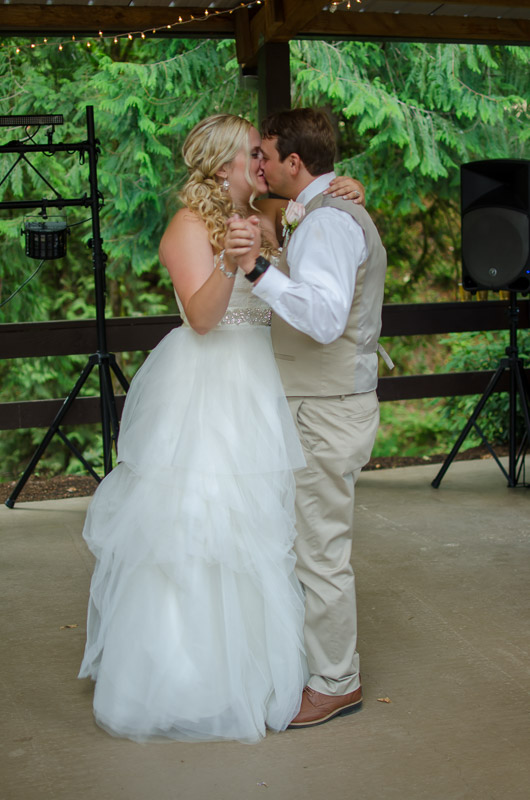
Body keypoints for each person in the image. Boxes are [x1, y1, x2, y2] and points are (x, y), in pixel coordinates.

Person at [78, 113, 364, 743]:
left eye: (263, 155)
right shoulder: (186, 226)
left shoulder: (268, 215)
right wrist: (234, 263)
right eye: (251, 155)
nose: (262, 164)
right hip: (206, 389)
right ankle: (190, 680)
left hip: (261, 384)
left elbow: (309, 232)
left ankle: (259, 673)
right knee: (200, 527)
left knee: (264, 529)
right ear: (221, 164)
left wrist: (347, 188)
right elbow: (203, 318)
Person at [227, 107, 388, 729]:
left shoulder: (327, 222)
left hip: (326, 408)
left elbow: (323, 320)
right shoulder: (316, 212)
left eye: (265, 155)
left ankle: (336, 681)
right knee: (305, 543)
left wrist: (257, 270)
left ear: (294, 162)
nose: (258, 164)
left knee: (320, 550)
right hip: (317, 403)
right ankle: (316, 665)